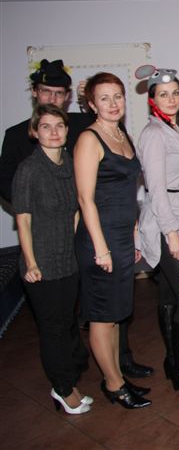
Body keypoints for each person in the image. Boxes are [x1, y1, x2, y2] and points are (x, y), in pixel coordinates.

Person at [74, 72, 151, 409]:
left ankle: (117, 373)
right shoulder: (90, 139)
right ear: (92, 104)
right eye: (104, 98)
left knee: (117, 313)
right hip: (99, 240)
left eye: (117, 95)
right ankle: (113, 384)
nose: (113, 103)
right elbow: (85, 199)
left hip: (121, 237)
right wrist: (101, 248)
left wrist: (133, 232)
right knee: (102, 316)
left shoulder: (122, 134)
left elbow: (129, 192)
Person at [12, 104, 92, 414]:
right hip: (41, 264)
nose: (54, 132)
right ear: (35, 132)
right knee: (52, 329)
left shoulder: (70, 164)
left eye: (59, 125)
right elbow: (23, 221)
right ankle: (62, 389)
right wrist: (31, 263)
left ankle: (69, 380)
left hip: (67, 259)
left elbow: (75, 211)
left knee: (67, 323)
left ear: (67, 130)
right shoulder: (29, 170)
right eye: (46, 126)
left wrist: (75, 247)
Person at [135, 66, 179, 398]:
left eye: (175, 93)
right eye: (164, 94)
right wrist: (172, 234)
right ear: (152, 99)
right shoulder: (154, 133)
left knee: (170, 296)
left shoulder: (172, 128)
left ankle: (173, 363)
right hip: (166, 220)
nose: (171, 99)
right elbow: (156, 189)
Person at [0, 59, 74, 202]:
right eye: (46, 91)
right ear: (34, 91)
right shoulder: (15, 135)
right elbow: (5, 182)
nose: (52, 99)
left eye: (59, 93)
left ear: (67, 96)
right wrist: (33, 206)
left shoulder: (82, 125)